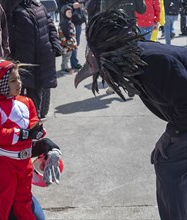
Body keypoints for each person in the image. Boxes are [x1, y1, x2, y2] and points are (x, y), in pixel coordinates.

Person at [75, 9, 187, 220]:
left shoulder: (153, 62)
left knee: (168, 162)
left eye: (92, 59)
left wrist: (170, 134)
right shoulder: (135, 60)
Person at [0, 54, 59, 219]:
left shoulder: (25, 101)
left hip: (24, 162)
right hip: (4, 162)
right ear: (0, 85)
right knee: (4, 200)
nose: (19, 83)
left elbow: (33, 119)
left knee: (24, 198)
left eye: (18, 79)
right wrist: (21, 134)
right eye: (13, 81)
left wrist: (37, 130)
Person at [3, 0, 62, 118]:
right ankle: (21, 124)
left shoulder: (39, 6)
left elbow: (50, 27)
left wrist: (55, 47)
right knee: (17, 95)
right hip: (21, 62)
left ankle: (35, 123)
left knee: (36, 96)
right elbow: (8, 36)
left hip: (41, 60)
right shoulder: (11, 8)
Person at [58, 0, 86, 69]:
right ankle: (65, 66)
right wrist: (72, 6)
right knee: (67, 46)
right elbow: (60, 6)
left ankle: (74, 62)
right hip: (67, 23)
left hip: (78, 22)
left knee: (75, 44)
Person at [58, 5, 77, 74]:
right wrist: (69, 40)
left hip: (69, 43)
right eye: (68, 12)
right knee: (66, 56)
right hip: (66, 43)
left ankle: (65, 67)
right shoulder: (65, 22)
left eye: (71, 12)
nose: (70, 14)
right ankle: (65, 68)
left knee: (67, 56)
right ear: (64, 13)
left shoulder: (67, 21)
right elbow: (66, 33)